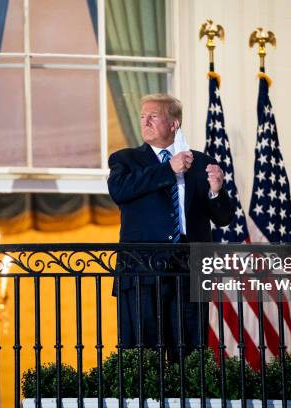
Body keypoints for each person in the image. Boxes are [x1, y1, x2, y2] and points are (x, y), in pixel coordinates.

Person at [107, 93, 234, 361]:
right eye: (143, 116)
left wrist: (216, 191)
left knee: (189, 355)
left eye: (153, 116)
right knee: (143, 355)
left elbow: (223, 218)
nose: (146, 121)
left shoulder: (200, 162)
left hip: (189, 269)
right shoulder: (125, 159)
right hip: (141, 269)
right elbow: (119, 191)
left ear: (174, 124)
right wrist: (168, 169)